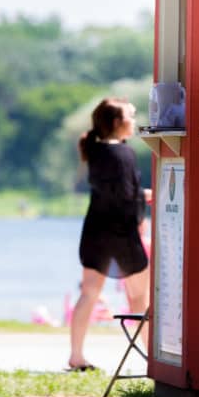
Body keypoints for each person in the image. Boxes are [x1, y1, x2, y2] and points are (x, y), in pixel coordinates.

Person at [68, 98, 150, 371]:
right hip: (121, 234)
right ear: (118, 123)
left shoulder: (95, 151)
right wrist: (146, 197)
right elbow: (126, 196)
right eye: (131, 115)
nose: (135, 120)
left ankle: (76, 355)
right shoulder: (124, 154)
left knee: (89, 293)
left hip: (95, 231)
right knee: (140, 298)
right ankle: (152, 357)